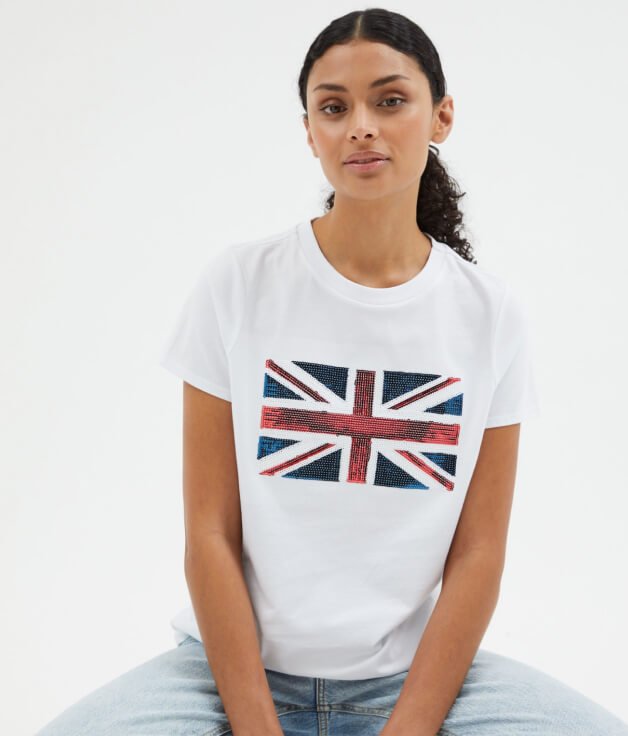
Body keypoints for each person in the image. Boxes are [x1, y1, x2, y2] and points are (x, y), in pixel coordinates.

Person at [36, 8, 628, 736]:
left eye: (389, 100)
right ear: (308, 130)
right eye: (333, 107)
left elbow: (478, 554)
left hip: (419, 684)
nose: (361, 126)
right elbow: (209, 534)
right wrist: (255, 725)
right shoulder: (239, 285)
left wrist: (410, 727)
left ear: (441, 116)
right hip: (226, 676)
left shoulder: (490, 315)